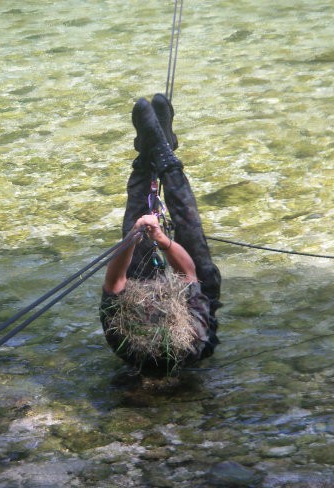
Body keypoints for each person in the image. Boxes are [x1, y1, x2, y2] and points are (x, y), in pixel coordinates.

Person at [100, 94, 221, 372]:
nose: (157, 301)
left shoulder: (120, 331)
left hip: (141, 302)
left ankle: (146, 155)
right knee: (191, 233)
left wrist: (135, 236)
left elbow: (115, 280)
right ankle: (165, 154)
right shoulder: (193, 336)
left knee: (134, 236)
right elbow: (187, 272)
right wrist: (164, 241)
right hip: (198, 302)